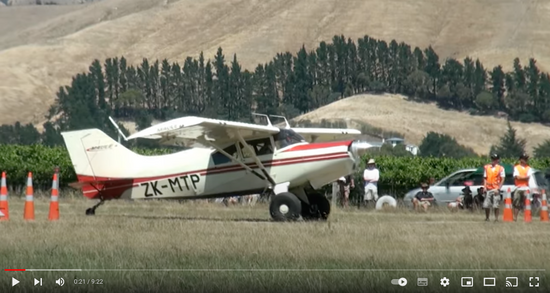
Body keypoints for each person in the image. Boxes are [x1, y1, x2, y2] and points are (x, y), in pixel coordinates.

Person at [483, 153, 505, 222]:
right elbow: (485, 178)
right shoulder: (487, 167)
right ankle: (487, 218)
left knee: (496, 205)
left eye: (495, 159)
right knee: (486, 205)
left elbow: (502, 179)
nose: (493, 160)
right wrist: (484, 187)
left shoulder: (500, 168)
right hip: (488, 188)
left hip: (496, 189)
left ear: (497, 160)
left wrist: (498, 189)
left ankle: (496, 218)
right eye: (492, 159)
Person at [512, 153, 533, 221]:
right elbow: (516, 177)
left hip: (526, 187)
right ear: (521, 160)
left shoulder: (529, 168)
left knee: (526, 202)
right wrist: (524, 177)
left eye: (526, 159)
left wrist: (520, 177)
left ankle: (527, 217)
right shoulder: (516, 167)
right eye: (524, 159)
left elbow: (528, 177)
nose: (525, 160)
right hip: (518, 187)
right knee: (516, 202)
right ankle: (515, 217)